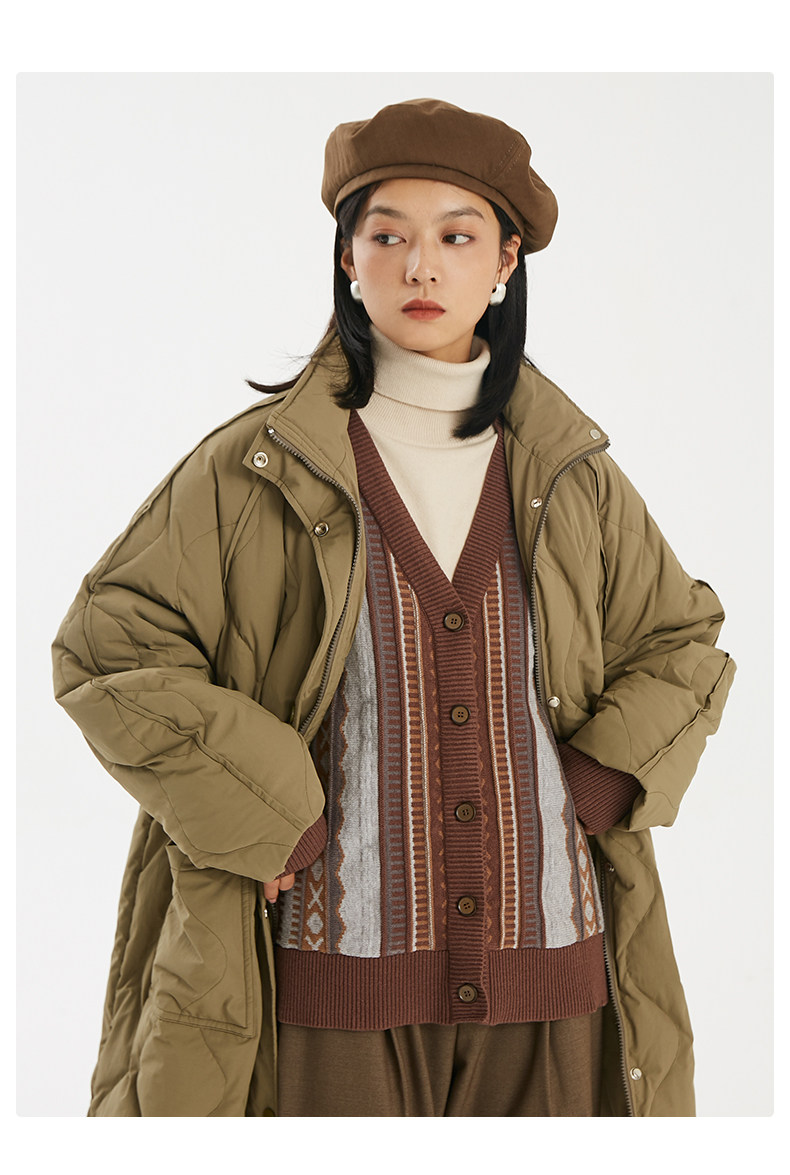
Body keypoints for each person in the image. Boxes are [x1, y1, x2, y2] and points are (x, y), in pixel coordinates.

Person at [52, 97, 735, 1117]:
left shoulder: (572, 474)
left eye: (456, 237)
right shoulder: (254, 470)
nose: (421, 267)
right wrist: (265, 813)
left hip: (557, 988)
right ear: (347, 258)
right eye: (387, 237)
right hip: (324, 998)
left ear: (505, 261)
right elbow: (108, 650)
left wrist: (599, 780)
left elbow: (680, 640)